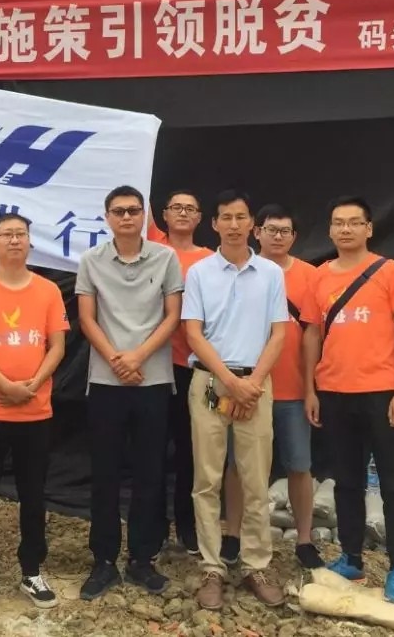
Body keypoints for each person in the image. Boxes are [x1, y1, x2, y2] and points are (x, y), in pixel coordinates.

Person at [301, 196, 394, 604]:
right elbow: (312, 335)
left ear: (369, 228)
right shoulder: (319, 276)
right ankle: (351, 557)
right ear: (330, 230)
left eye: (354, 222)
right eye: (338, 223)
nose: (345, 229)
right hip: (334, 393)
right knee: (346, 481)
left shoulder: (390, 271)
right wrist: (310, 389)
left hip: (382, 393)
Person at [0, 213, 69, 612]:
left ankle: (32, 569)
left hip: (35, 411)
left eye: (21, 234)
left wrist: (31, 385)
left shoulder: (48, 290)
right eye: (7, 234)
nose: (15, 240)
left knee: (33, 493)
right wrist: (5, 386)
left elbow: (57, 346)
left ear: (30, 242)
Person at [76, 185, 185, 601]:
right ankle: (103, 560)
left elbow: (172, 316)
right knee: (104, 473)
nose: (126, 217)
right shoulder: (91, 260)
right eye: (119, 211)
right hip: (107, 382)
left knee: (149, 472)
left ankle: (143, 558)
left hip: (152, 381)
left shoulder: (166, 258)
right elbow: (87, 319)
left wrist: (137, 357)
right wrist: (116, 360)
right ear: (107, 217)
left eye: (134, 210)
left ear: (144, 216)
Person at [183, 189, 287, 610]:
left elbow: (279, 333)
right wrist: (230, 380)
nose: (233, 225)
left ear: (252, 225)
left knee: (255, 479)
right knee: (206, 480)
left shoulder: (271, 273)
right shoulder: (200, 273)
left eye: (240, 217)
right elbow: (193, 333)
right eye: (225, 217)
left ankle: (256, 564)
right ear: (214, 224)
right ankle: (212, 566)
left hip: (256, 384)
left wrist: (253, 382)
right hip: (211, 382)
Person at [220, 204, 325, 570]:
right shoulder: (239, 271)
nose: (278, 236)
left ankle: (305, 540)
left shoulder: (311, 276)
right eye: (271, 229)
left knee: (299, 465)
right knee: (238, 465)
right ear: (257, 232)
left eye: (285, 231)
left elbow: (313, 335)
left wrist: (311, 389)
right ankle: (233, 535)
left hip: (292, 390)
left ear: (294, 237)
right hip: (246, 388)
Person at [153, 190, 212, 556]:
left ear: (200, 218)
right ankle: (154, 526)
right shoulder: (150, 251)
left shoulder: (210, 260)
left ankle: (187, 526)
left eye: (190, 208)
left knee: (192, 451)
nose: (183, 213)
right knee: (153, 449)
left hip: (193, 367)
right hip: (153, 365)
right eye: (176, 207)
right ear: (164, 214)